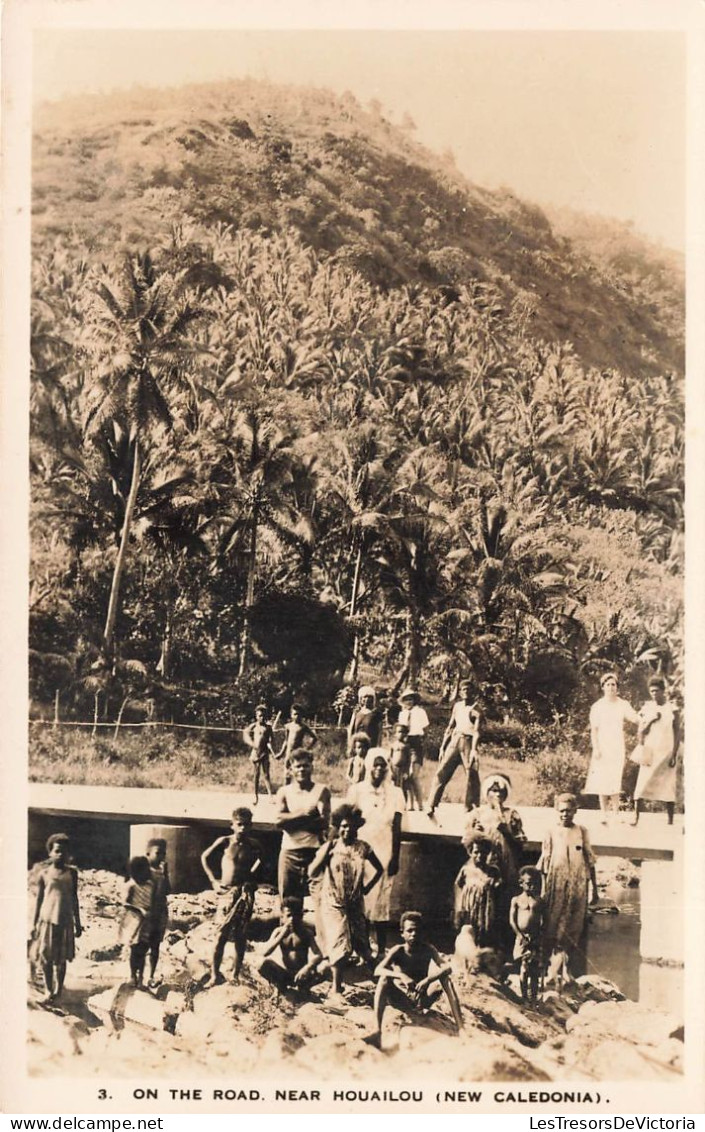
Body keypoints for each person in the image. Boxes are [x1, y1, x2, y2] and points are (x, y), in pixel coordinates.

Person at [308, 804, 383, 1004]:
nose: (347, 830)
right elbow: (311, 871)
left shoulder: (363, 847)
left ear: (357, 827)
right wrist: (325, 853)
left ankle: (380, 981)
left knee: (361, 942)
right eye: (343, 826)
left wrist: (366, 887)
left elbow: (380, 869)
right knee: (339, 943)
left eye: (350, 826)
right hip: (334, 903)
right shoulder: (331, 847)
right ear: (337, 827)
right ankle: (336, 988)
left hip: (355, 902)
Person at [372, 911, 463, 1042]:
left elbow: (447, 967)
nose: (414, 934)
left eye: (417, 931)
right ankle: (377, 1031)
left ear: (422, 932)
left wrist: (428, 980)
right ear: (402, 933)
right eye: (409, 931)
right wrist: (401, 975)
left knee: (445, 979)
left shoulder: (428, 949)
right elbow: (378, 970)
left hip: (422, 999)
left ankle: (461, 1028)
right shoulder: (398, 950)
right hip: (402, 999)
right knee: (384, 979)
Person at [347, 747, 404, 955]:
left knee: (381, 902)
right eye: (375, 765)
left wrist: (395, 857)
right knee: (358, 898)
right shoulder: (356, 790)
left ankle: (380, 950)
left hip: (385, 851)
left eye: (383, 765)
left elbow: (396, 827)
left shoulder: (396, 793)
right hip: (361, 851)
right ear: (368, 766)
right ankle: (359, 949)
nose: (379, 768)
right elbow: (348, 820)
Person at [465, 773, 527, 955]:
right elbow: (467, 841)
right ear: (487, 793)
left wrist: (506, 831)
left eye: (501, 791)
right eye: (493, 791)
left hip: (507, 865)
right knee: (482, 904)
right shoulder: (478, 814)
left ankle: (502, 950)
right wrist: (476, 834)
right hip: (484, 865)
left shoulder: (511, 815)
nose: (497, 794)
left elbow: (521, 844)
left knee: (503, 903)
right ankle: (480, 947)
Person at [538, 794, 598, 980]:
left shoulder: (582, 831)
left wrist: (594, 889)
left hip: (578, 883)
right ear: (557, 811)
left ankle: (566, 969)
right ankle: (549, 969)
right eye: (562, 810)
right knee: (553, 924)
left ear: (575, 811)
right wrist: (542, 889)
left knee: (574, 925)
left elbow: (590, 861)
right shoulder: (551, 831)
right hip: (556, 884)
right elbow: (545, 863)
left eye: (569, 810)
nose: (566, 814)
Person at [201, 807, 262, 986]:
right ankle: (214, 974)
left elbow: (264, 859)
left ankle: (235, 974)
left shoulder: (254, 845)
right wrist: (213, 880)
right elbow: (205, 857)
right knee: (221, 934)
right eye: (239, 824)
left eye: (247, 825)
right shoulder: (225, 842)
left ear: (251, 826)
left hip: (244, 893)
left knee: (241, 935)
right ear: (232, 825)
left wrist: (252, 875)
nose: (243, 828)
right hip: (227, 893)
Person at [29, 833, 82, 1004]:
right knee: (46, 956)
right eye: (57, 851)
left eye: (64, 852)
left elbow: (74, 898)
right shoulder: (44, 874)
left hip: (65, 920)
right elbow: (39, 900)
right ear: (50, 853)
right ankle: (48, 989)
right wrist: (34, 923)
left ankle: (58, 990)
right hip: (47, 919)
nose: (61, 855)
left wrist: (78, 923)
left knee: (61, 957)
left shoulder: (72, 873)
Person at [275, 749, 331, 902]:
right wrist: (304, 814)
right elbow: (279, 822)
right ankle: (289, 927)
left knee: (320, 899)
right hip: (289, 852)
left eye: (305, 766)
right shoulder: (284, 791)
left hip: (314, 852)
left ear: (312, 767)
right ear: (291, 769)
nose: (302, 770)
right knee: (288, 901)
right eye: (298, 766)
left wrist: (291, 823)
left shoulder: (322, 791)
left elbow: (323, 823)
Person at [585, 673, 639, 823]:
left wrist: (646, 718)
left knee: (615, 779)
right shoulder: (597, 706)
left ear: (617, 687)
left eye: (613, 685)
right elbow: (594, 730)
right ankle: (604, 813)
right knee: (602, 778)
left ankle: (615, 812)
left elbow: (634, 717)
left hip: (617, 746)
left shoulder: (622, 704)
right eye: (608, 685)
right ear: (603, 687)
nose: (611, 687)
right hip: (602, 746)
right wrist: (596, 748)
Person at [426, 678, 482, 816]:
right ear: (460, 692)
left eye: (469, 689)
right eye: (464, 690)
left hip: (468, 742)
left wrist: (474, 750)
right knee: (442, 771)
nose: (466, 692)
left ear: (473, 692)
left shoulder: (477, 710)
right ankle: (431, 804)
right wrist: (443, 747)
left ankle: (471, 808)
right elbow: (450, 727)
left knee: (471, 774)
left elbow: (476, 732)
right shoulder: (457, 706)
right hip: (455, 740)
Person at [631, 676, 681, 826]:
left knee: (668, 786)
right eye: (651, 691)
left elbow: (677, 733)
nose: (654, 694)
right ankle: (636, 818)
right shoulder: (647, 708)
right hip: (650, 752)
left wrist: (674, 754)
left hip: (667, 752)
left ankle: (670, 820)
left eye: (657, 691)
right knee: (641, 784)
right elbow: (641, 732)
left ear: (663, 691)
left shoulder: (672, 709)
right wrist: (652, 719)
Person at [256, 896, 327, 994]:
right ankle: (280, 985)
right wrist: (281, 935)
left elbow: (318, 955)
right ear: (282, 917)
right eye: (289, 915)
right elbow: (265, 952)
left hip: (303, 973)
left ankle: (304, 988)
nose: (292, 919)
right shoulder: (278, 932)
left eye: (295, 915)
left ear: (301, 916)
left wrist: (307, 968)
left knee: (326, 967)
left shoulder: (306, 932)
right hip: (286, 973)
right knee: (262, 964)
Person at [453, 832, 502, 948]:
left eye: (483, 852)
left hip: (485, 909)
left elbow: (499, 883)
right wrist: (459, 906)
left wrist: (495, 884)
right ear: (470, 852)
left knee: (483, 931)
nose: (480, 855)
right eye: (476, 852)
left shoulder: (492, 870)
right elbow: (457, 884)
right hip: (469, 908)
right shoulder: (466, 870)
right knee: (468, 932)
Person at [509, 866, 545, 1006]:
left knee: (534, 969)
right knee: (524, 968)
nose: (532, 886)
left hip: (535, 938)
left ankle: (534, 998)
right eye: (529, 883)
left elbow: (545, 920)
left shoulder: (539, 901)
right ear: (521, 883)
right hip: (522, 938)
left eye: (535, 883)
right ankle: (524, 997)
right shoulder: (516, 900)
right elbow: (512, 920)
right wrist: (520, 935)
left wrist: (539, 936)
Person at [119, 855, 155, 987]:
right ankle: (133, 975)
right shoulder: (131, 886)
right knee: (135, 949)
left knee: (144, 948)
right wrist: (139, 909)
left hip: (147, 921)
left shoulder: (150, 885)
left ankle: (141, 977)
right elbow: (124, 903)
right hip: (134, 920)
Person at [144, 838, 170, 987]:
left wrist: (166, 874)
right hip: (146, 913)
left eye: (163, 854)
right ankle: (136, 975)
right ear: (148, 853)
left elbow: (168, 890)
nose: (161, 857)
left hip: (159, 913)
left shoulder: (162, 872)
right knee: (141, 945)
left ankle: (151, 975)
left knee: (155, 946)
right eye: (158, 853)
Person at [243, 704, 278, 804]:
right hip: (255, 753)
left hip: (265, 753)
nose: (261, 718)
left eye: (263, 715)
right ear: (256, 716)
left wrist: (271, 747)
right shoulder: (253, 726)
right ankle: (255, 796)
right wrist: (252, 743)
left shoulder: (268, 727)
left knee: (266, 775)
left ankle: (270, 796)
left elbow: (271, 740)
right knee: (256, 775)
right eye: (259, 715)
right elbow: (245, 734)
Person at [278, 704, 317, 783]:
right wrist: (281, 753)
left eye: (299, 714)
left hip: (297, 753)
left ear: (301, 715)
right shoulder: (288, 726)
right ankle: (286, 792)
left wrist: (306, 749)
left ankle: (299, 792)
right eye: (295, 714)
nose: (297, 716)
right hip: (288, 752)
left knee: (298, 773)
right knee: (287, 774)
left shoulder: (303, 727)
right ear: (291, 715)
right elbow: (286, 741)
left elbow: (314, 738)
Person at [397, 687, 430, 767]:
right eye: (406, 700)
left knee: (414, 765)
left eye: (410, 699)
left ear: (414, 701)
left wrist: (424, 741)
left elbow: (426, 728)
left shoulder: (420, 712)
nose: (408, 702)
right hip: (404, 740)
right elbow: (400, 729)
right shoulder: (402, 714)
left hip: (416, 740)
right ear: (403, 702)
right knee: (402, 765)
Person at [388, 721, 412, 796]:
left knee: (403, 788)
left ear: (405, 734)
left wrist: (407, 772)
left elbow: (408, 760)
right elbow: (389, 758)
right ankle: (394, 805)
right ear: (395, 734)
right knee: (394, 788)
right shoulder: (393, 745)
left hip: (403, 769)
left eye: (402, 732)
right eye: (398, 732)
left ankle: (403, 805)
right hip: (394, 769)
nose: (400, 734)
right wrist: (390, 771)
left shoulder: (406, 746)